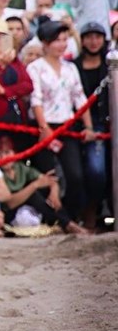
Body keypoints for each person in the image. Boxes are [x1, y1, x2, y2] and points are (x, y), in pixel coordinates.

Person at [27, 20, 97, 223]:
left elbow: (80, 98)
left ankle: (72, 215)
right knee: (50, 176)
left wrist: (89, 126)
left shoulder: (70, 68)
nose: (62, 44)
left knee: (75, 175)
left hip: (67, 125)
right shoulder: (35, 68)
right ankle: (58, 220)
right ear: (46, 43)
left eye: (65, 40)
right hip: (44, 125)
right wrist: (44, 128)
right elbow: (35, 100)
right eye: (57, 40)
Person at [0, 135, 90, 235]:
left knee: (44, 191)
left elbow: (49, 180)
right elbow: (10, 203)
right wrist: (34, 185)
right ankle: (67, 224)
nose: (3, 158)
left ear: (15, 153)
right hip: (9, 214)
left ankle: (66, 223)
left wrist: (54, 193)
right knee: (33, 194)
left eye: (7, 152)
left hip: (28, 209)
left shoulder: (20, 167)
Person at [73, 21, 111, 231]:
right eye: (89, 37)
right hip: (82, 124)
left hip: (109, 122)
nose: (93, 41)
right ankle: (90, 210)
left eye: (98, 37)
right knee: (95, 170)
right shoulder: (74, 66)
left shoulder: (110, 66)